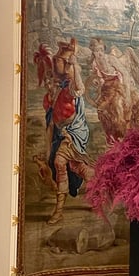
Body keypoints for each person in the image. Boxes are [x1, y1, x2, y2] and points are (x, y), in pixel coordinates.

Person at [43, 38, 92, 225]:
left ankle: (58, 211)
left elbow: (80, 88)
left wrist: (76, 66)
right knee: (76, 167)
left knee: (60, 162)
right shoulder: (56, 90)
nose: (56, 62)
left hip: (73, 133)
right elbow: (51, 123)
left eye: (59, 60)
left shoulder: (70, 87)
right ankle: (98, 190)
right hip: (61, 134)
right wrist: (48, 148)